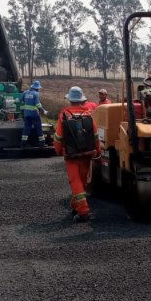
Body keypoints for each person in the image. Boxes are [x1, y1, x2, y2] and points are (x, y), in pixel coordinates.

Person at [54, 86, 101, 222]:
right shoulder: (89, 114)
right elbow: (95, 135)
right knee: (83, 181)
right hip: (86, 155)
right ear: (81, 100)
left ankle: (83, 211)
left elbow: (58, 137)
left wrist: (58, 150)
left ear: (69, 100)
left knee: (75, 181)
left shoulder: (64, 115)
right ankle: (75, 206)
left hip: (71, 156)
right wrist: (97, 152)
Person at [20, 80, 47, 147]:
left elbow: (19, 99)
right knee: (38, 128)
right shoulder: (36, 94)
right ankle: (42, 142)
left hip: (27, 114)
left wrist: (13, 102)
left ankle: (23, 143)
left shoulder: (25, 92)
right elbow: (37, 104)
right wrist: (43, 111)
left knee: (26, 128)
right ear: (37, 88)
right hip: (34, 115)